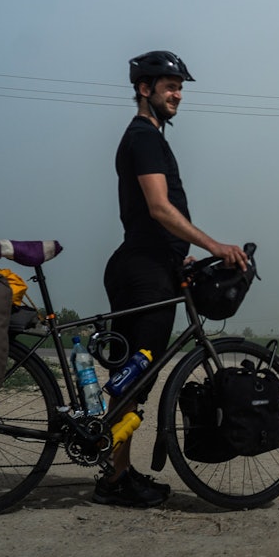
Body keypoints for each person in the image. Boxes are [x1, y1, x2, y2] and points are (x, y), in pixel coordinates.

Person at [95, 50, 250, 508]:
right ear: (145, 89)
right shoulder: (143, 137)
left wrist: (178, 256)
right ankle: (115, 477)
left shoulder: (152, 136)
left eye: (180, 87)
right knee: (134, 378)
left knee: (131, 378)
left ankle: (115, 471)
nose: (177, 94)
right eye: (169, 86)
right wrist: (212, 245)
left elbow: (156, 217)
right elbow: (159, 208)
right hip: (142, 272)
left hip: (153, 266)